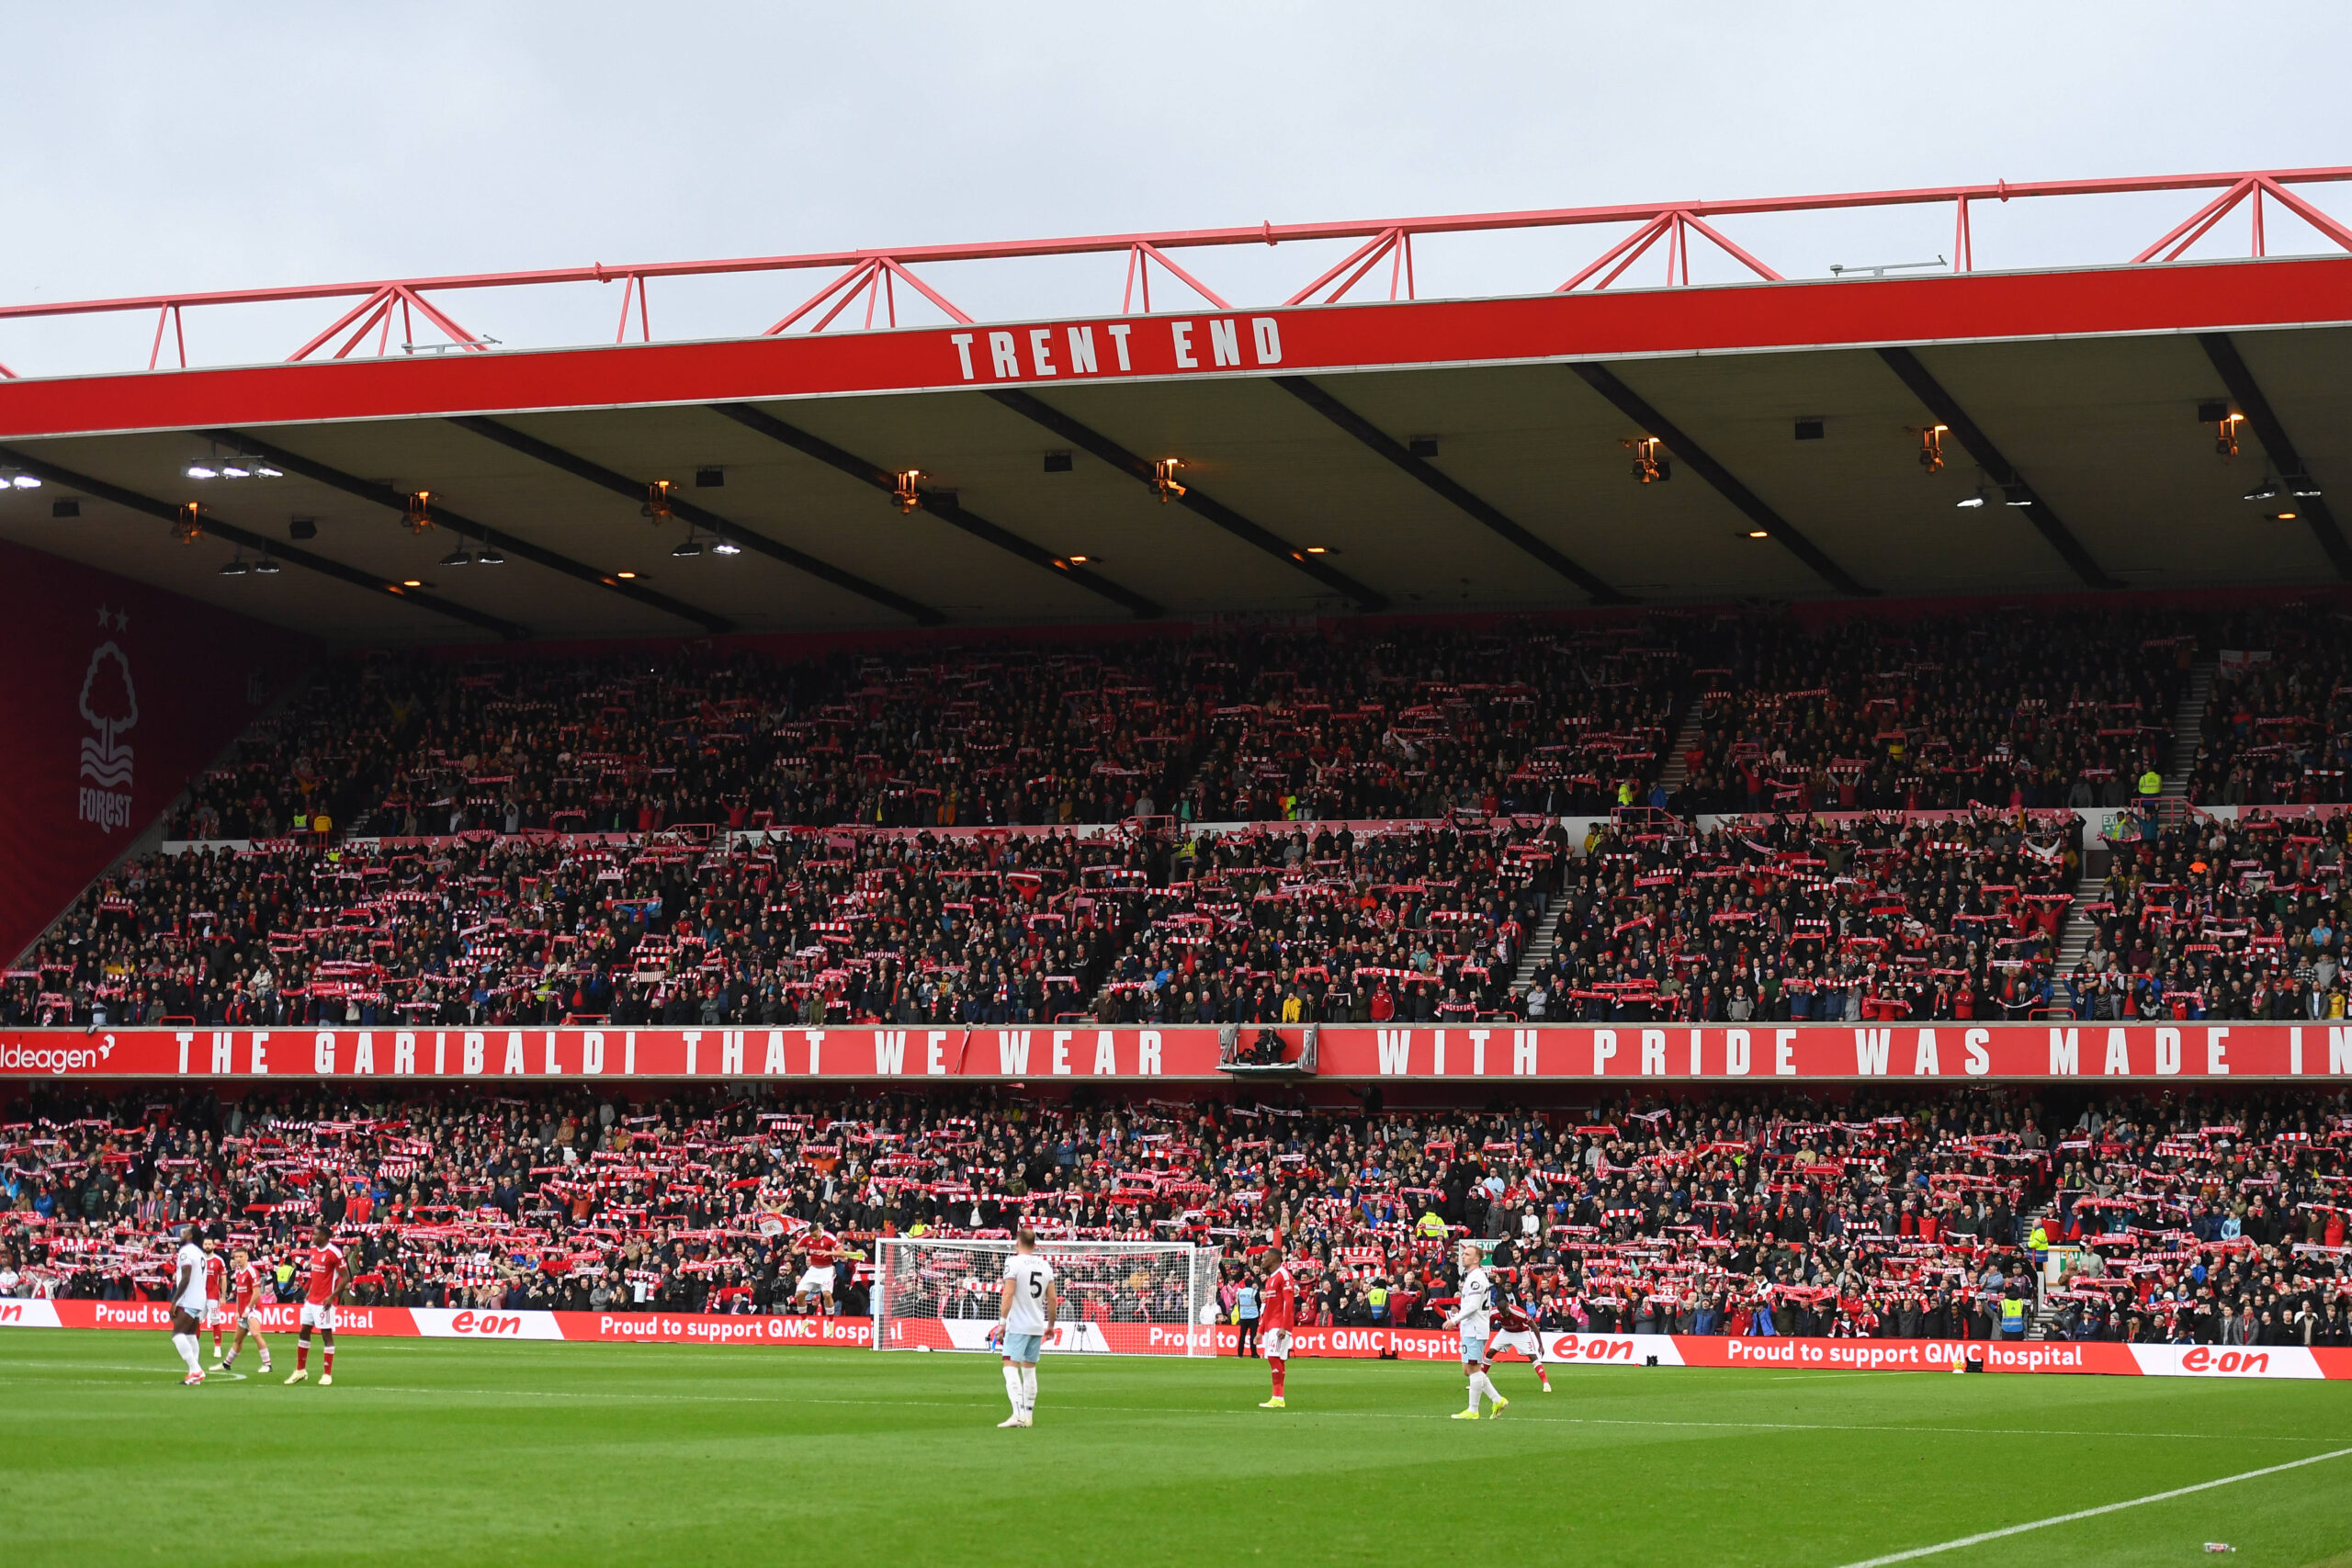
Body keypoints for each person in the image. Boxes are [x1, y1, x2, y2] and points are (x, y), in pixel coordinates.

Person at [991, 1227, 1057, 1429]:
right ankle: (1028, 1415)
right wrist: (1051, 1326)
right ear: (1034, 1244)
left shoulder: (1013, 1263)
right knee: (1030, 1370)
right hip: (1037, 1325)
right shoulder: (1045, 1265)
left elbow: (1008, 1294)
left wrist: (1002, 1323)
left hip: (1018, 1324)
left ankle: (1017, 1414)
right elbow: (1053, 1298)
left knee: (1009, 1367)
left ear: (1017, 1243)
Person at [1445, 1240, 1506, 1419]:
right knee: (1468, 1369)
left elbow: (1472, 1306)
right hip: (1470, 1328)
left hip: (1475, 1328)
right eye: (1463, 1254)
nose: (1463, 1256)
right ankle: (1497, 1400)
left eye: (1468, 1254)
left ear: (1477, 1259)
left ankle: (1473, 1410)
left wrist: (1453, 1320)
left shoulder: (1477, 1278)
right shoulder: (1471, 1276)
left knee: (1473, 1368)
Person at [285, 1222, 348, 1386]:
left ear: (325, 1237)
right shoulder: (313, 1251)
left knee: (326, 1335)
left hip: (325, 1301)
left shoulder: (334, 1253)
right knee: (303, 1332)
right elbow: (315, 1274)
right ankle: (300, 1370)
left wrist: (332, 1296)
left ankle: (327, 1374)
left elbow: (346, 1277)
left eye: (316, 1235)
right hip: (311, 1300)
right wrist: (308, 1291)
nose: (313, 1237)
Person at [1487, 1272, 1553, 1393]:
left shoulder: (1519, 1313)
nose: (1505, 1315)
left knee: (1532, 1356)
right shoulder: (1494, 1313)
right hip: (1506, 1331)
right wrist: (1485, 1337)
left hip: (1521, 1332)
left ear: (1508, 1307)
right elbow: (1489, 1326)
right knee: (1490, 1352)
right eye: (1503, 1314)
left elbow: (1534, 1327)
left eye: (1506, 1312)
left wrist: (1541, 1345)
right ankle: (1479, 1381)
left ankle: (1546, 1383)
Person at [218, 1246, 273, 1376]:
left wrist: (248, 1309)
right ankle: (226, 1364)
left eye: (241, 1257)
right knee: (237, 1339)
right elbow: (239, 1294)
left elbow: (257, 1293)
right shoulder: (237, 1272)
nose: (238, 1259)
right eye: (236, 1257)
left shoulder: (252, 1272)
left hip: (253, 1309)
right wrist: (238, 1310)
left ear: (247, 1257)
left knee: (255, 1334)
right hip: (242, 1311)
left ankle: (267, 1364)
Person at [1258, 1252, 1302, 1410]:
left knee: (1274, 1358)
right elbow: (1268, 1308)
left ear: (1275, 1259)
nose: (1263, 1260)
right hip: (1270, 1325)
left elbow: (1288, 1303)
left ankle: (1277, 1397)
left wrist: (1284, 1325)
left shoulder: (1284, 1275)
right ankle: (1278, 1398)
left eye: (1265, 1257)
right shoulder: (1270, 1279)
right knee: (1276, 1359)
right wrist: (1261, 1330)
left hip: (1279, 1325)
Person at [166, 1224, 209, 1386]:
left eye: (184, 1231)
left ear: (190, 1236)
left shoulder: (186, 1251)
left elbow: (185, 1277)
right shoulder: (200, 1253)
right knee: (191, 1336)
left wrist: (174, 1301)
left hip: (188, 1299)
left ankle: (196, 1369)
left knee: (177, 1335)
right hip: (200, 1299)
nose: (181, 1233)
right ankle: (194, 1375)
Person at [794, 1229, 839, 1316]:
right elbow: (794, 1248)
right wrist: (796, 1251)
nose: (814, 1238)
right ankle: (804, 1321)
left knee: (827, 1295)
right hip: (814, 1269)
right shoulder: (807, 1236)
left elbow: (842, 1253)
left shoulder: (829, 1237)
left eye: (815, 1235)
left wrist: (828, 1252)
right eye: (812, 1235)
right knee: (799, 1294)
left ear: (819, 1232)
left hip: (827, 1268)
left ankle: (831, 1324)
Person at [202, 1234, 229, 1363]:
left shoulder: (219, 1260)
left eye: (209, 1244)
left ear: (213, 1245)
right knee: (195, 1320)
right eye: (205, 1244)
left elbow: (223, 1279)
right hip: (199, 1296)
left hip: (213, 1295)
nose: (207, 1246)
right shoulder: (199, 1259)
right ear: (203, 1245)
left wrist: (223, 1296)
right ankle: (194, 1346)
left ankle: (217, 1347)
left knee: (215, 1321)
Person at [1234, 1271, 1261, 1359]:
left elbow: (1239, 1303)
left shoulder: (1240, 1293)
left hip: (1243, 1316)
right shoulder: (1254, 1292)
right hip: (1253, 1316)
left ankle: (1240, 1353)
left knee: (1242, 1335)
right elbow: (1259, 1303)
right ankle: (1254, 1353)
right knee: (1253, 1335)